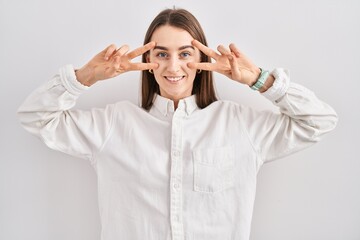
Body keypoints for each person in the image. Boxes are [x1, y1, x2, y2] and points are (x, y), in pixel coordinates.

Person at [17, 8, 338, 240]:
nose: (173, 66)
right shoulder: (114, 124)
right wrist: (85, 77)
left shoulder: (239, 124)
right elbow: (35, 116)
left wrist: (258, 80)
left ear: (201, 63)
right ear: (148, 62)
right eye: (161, 54)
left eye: (185, 54)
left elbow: (319, 122)